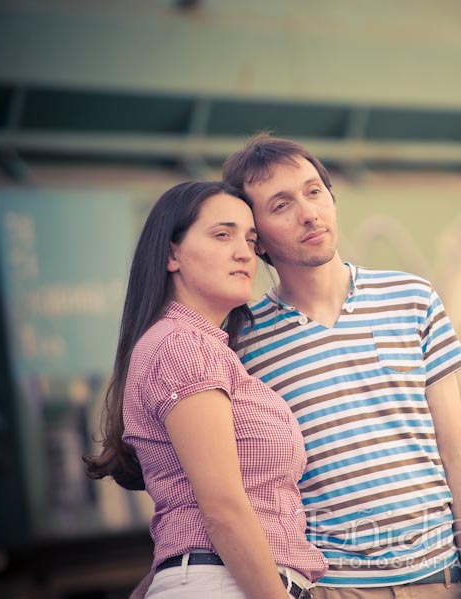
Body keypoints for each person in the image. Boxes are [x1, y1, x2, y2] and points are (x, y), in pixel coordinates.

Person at [221, 134, 461, 599]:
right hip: (337, 589)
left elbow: (457, 450)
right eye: (281, 205)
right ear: (257, 240)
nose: (308, 212)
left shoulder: (412, 299)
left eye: (314, 192)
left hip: (444, 582)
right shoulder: (244, 345)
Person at [84, 181, 327, 599]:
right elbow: (223, 512)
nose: (244, 252)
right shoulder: (183, 345)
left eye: (250, 240)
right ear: (171, 254)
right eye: (222, 235)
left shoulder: (199, 347)